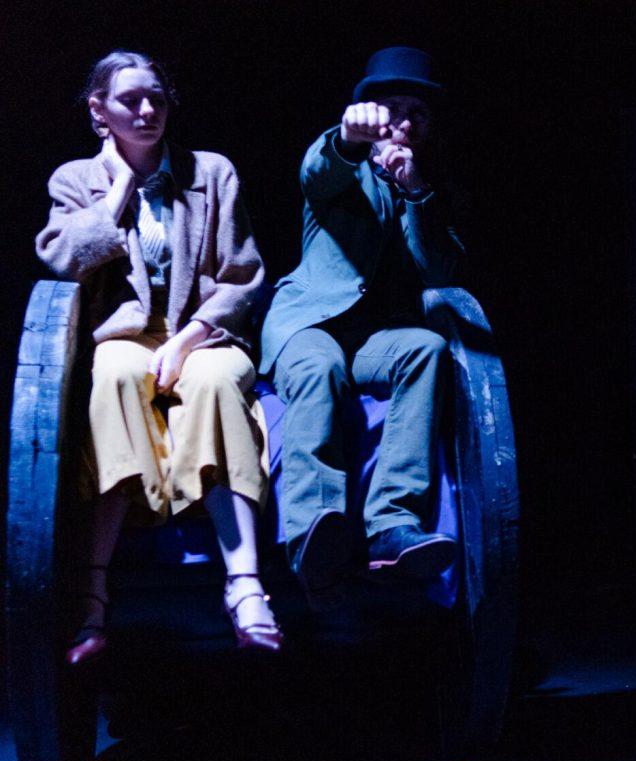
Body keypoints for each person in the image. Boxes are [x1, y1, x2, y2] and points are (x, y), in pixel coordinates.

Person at [35, 50, 281, 662]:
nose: (148, 111)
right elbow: (62, 258)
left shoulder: (212, 173)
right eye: (129, 101)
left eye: (158, 99)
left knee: (217, 381)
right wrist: (117, 193)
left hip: (204, 334)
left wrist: (189, 337)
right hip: (122, 337)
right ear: (99, 111)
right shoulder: (75, 181)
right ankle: (93, 596)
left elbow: (243, 275)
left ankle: (245, 585)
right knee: (116, 373)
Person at [260, 46, 464, 609]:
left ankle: (392, 525)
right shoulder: (341, 165)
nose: (404, 122)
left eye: (417, 113)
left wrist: (418, 193)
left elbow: (438, 271)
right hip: (310, 325)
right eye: (391, 108)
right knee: (320, 366)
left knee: (425, 348)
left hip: (374, 339)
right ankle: (311, 537)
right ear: (370, 112)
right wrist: (349, 137)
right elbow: (316, 172)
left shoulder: (427, 184)